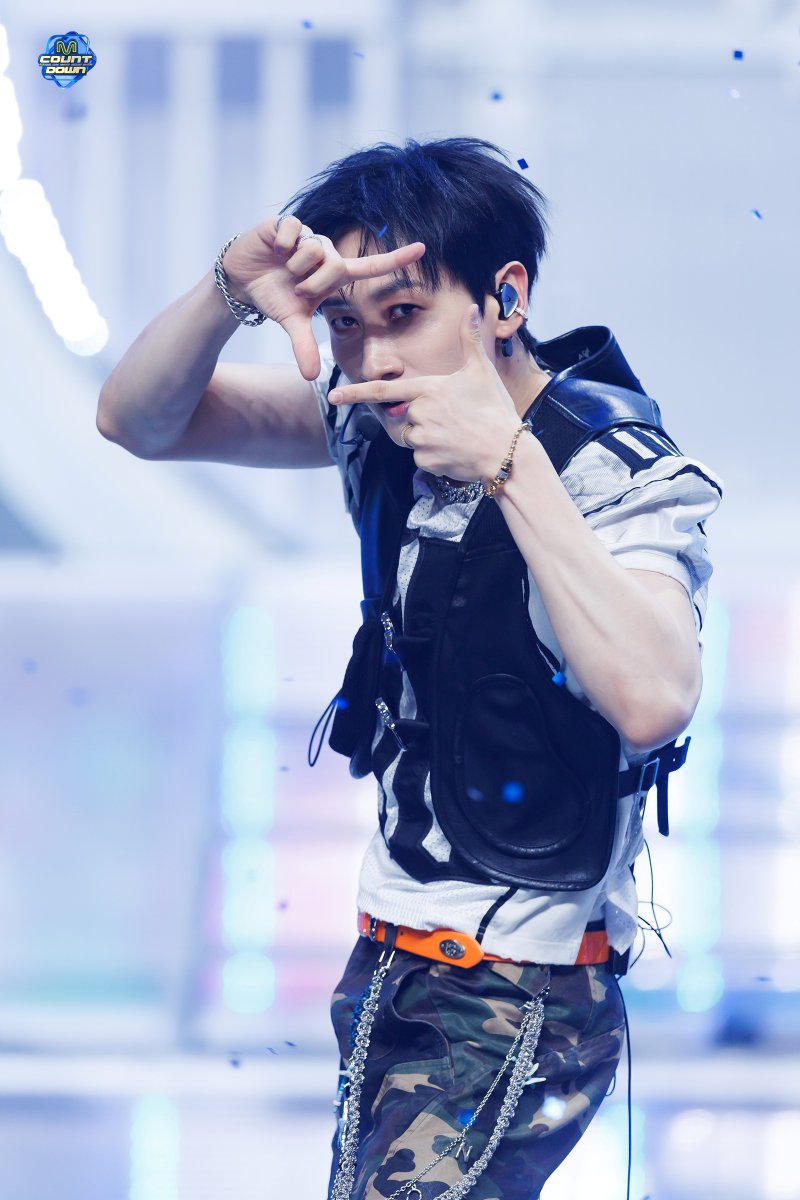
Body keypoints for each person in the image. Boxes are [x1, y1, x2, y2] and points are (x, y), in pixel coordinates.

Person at [98, 137, 723, 1200]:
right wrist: (226, 290)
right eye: (346, 324)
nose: (374, 358)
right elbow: (137, 421)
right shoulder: (375, 425)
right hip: (390, 959)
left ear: (502, 300)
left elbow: (653, 700)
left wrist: (508, 463)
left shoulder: (618, 473)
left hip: (521, 986)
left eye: (403, 315)